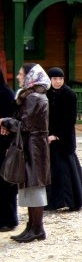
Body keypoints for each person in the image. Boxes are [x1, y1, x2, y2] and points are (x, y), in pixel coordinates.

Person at [1, 64, 51, 243]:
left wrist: (5, 122)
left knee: (34, 188)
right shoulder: (31, 96)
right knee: (30, 187)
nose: (18, 77)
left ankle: (37, 228)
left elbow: (25, 125)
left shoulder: (34, 98)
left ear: (30, 76)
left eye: (21, 74)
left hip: (34, 147)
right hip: (32, 145)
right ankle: (32, 226)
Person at [44, 68, 82, 211]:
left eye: (60, 79)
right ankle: (52, 202)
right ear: (50, 79)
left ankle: (73, 201)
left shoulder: (69, 94)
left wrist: (57, 135)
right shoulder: (47, 94)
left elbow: (70, 119)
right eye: (55, 79)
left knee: (67, 171)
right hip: (49, 137)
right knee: (52, 171)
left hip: (65, 138)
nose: (58, 81)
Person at [0, 67, 17, 232]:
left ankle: (8, 220)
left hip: (4, 145)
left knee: (5, 183)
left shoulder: (6, 94)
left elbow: (12, 120)